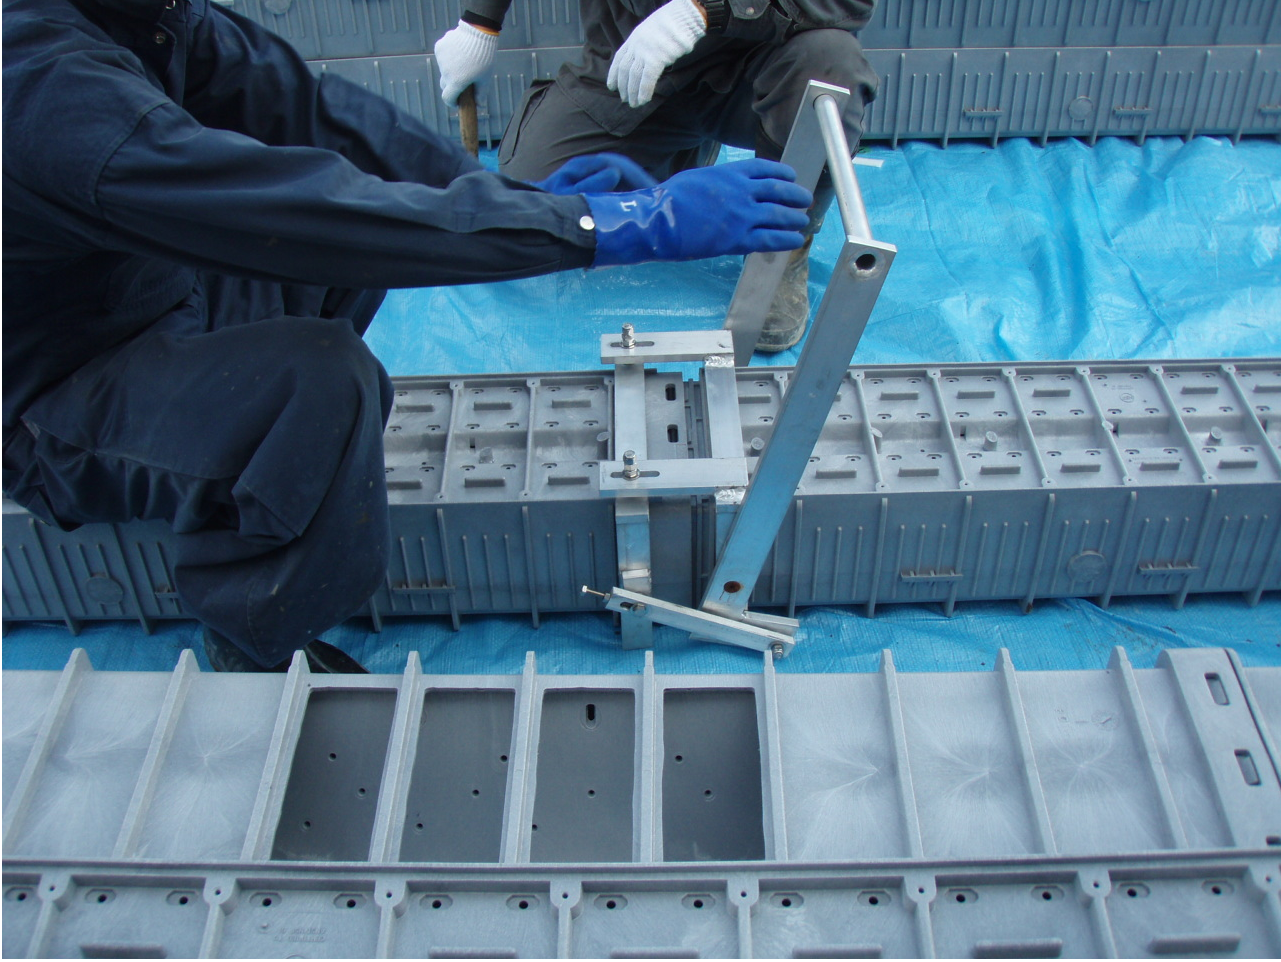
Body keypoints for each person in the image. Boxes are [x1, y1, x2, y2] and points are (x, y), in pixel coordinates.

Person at [2, 0, 813, 672]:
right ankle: (253, 636)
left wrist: (509, 199)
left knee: (368, 236)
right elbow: (297, 213)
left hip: (150, 285)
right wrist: (597, 224)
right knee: (321, 380)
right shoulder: (42, 86)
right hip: (57, 390)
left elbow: (320, 118)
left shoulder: (144, 15)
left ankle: (260, 460)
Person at [434, 0, 878, 351]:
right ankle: (679, 151)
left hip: (755, 70)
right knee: (535, 199)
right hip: (628, 66)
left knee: (831, 62)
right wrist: (479, 24)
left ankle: (784, 247)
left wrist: (707, 10)